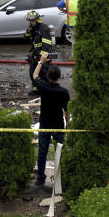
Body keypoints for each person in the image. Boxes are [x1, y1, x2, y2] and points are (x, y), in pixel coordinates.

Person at [32, 55, 69, 191]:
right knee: (61, 151)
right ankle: (62, 178)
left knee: (42, 152)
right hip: (58, 125)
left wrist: (41, 61)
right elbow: (66, 111)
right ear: (59, 76)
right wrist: (68, 124)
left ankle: (40, 179)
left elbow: (35, 74)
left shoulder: (43, 87)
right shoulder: (64, 92)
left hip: (45, 125)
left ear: (47, 76)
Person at [24, 10, 53, 91]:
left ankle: (45, 89)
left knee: (43, 73)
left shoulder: (43, 28)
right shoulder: (33, 28)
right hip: (35, 52)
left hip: (43, 54)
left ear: (37, 20)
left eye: (32, 21)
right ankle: (36, 88)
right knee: (32, 71)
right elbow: (26, 38)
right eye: (30, 21)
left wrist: (42, 57)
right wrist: (28, 31)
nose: (31, 22)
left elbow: (47, 44)